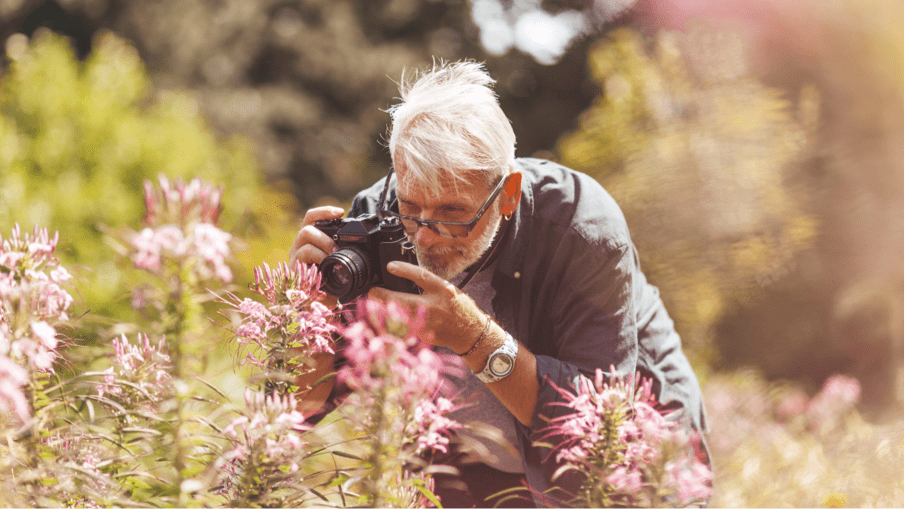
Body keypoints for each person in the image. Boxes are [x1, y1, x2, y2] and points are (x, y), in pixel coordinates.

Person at [289, 60, 709, 509]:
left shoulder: (580, 229)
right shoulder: (375, 220)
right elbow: (303, 409)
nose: (425, 236)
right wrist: (310, 315)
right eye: (411, 207)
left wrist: (470, 336)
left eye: (453, 213)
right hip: (464, 458)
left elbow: (592, 427)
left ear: (508, 192)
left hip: (628, 451)